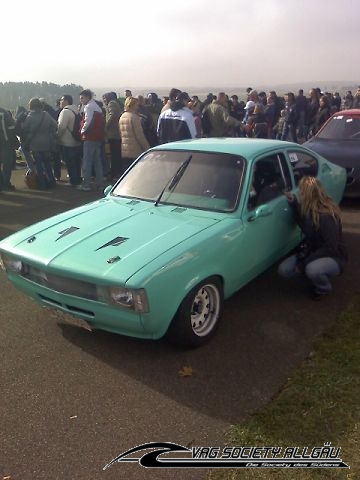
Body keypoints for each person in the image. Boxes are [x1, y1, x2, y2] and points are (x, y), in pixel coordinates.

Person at [278, 176, 347, 300]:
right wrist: (293, 203)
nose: (299, 193)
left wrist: (304, 264)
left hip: (334, 256)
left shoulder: (327, 216)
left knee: (313, 269)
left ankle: (323, 288)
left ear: (308, 194)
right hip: (312, 250)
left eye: (302, 191)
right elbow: (304, 222)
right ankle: (312, 274)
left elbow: (331, 247)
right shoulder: (310, 209)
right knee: (284, 270)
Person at [22, 97, 58, 189]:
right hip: (46, 143)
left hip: (35, 145)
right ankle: (52, 182)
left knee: (39, 166)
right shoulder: (46, 115)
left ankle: (42, 184)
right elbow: (55, 125)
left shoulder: (29, 117)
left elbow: (24, 129)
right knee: (48, 164)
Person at [77, 89, 105, 191]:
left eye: (82, 98)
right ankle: (100, 183)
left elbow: (87, 121)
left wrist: (82, 131)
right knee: (97, 161)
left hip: (89, 137)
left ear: (88, 97)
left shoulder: (88, 107)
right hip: (98, 137)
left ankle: (86, 184)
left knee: (87, 161)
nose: (81, 100)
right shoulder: (97, 107)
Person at [119, 96, 150, 174]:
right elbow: (140, 136)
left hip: (125, 149)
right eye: (136, 105)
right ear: (132, 105)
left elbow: (120, 133)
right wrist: (147, 149)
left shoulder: (122, 116)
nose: (137, 107)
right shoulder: (134, 117)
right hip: (135, 150)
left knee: (127, 173)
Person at [57, 94, 82, 186]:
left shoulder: (65, 112)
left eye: (61, 100)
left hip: (67, 141)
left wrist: (57, 137)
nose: (60, 102)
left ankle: (73, 181)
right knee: (77, 162)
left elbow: (61, 127)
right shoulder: (76, 110)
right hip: (77, 140)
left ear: (66, 101)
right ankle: (78, 179)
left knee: (70, 163)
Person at [102, 92, 122, 180]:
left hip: (113, 133)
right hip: (116, 132)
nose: (104, 101)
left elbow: (112, 115)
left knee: (114, 155)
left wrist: (106, 126)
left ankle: (114, 173)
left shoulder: (111, 103)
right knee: (116, 154)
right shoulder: (116, 102)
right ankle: (116, 173)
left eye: (105, 98)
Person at [0, 107, 19, 191]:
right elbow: (11, 127)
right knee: (7, 164)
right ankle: (5, 183)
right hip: (5, 142)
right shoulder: (4, 113)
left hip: (5, 141)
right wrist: (14, 141)